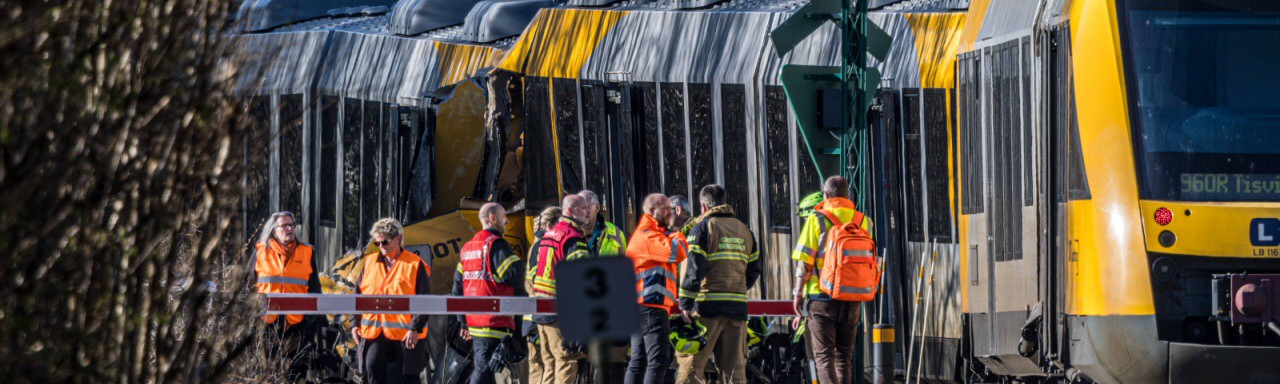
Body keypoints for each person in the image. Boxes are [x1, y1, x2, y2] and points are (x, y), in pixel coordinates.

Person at [790, 176, 873, 384]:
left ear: (825, 195)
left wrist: (798, 294)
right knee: (844, 358)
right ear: (848, 195)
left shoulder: (816, 219)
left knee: (824, 357)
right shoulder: (864, 221)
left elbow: (805, 264)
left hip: (821, 297)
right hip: (853, 298)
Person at [677, 185, 761, 384]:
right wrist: (737, 289)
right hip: (737, 309)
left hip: (707, 308)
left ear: (704, 207)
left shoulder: (702, 228)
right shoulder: (745, 230)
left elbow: (693, 270)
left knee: (692, 369)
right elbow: (754, 270)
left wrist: (686, 303)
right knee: (734, 374)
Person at [453, 203, 526, 384]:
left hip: (476, 323)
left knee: (486, 373)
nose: (507, 220)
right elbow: (514, 275)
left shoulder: (468, 248)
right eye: (503, 216)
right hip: (494, 322)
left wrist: (462, 321)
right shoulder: (496, 245)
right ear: (492, 218)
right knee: (483, 374)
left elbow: (457, 288)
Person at [352, 218, 431, 384]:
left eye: (385, 242)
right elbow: (358, 295)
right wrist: (354, 324)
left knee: (408, 377)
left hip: (406, 332)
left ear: (398, 239)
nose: (381, 246)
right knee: (371, 368)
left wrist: (415, 328)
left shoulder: (414, 264)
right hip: (375, 331)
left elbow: (424, 299)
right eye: (377, 243)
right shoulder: (369, 262)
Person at [250, 211, 323, 382]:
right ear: (274, 230)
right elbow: (248, 285)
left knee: (296, 374)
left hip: (296, 323)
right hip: (266, 323)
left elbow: (314, 288)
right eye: (284, 225)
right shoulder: (260, 251)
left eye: (292, 225)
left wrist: (310, 320)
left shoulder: (307, 252)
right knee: (266, 373)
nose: (290, 228)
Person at [529, 195, 594, 383]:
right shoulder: (573, 239)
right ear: (571, 211)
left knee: (550, 365)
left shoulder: (549, 235)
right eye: (584, 209)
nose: (588, 212)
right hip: (560, 312)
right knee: (566, 362)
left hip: (542, 310)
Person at [625, 194, 688, 384]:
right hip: (650, 306)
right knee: (658, 362)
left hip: (642, 306)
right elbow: (679, 251)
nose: (670, 213)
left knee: (639, 360)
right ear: (652, 211)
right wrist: (677, 229)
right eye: (666, 209)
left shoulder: (650, 234)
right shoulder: (648, 236)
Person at [525, 207, 561, 384]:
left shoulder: (534, 247)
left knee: (539, 365)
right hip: (542, 317)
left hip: (533, 317)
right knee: (551, 364)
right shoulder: (545, 247)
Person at [578, 190, 628, 257]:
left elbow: (623, 263)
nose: (582, 211)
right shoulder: (570, 233)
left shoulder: (616, 233)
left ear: (597, 207)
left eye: (586, 206)